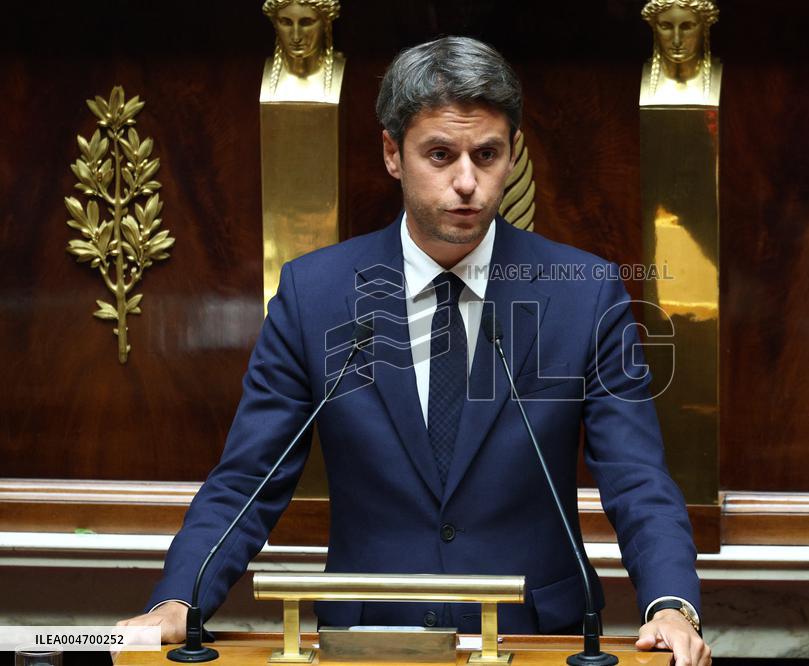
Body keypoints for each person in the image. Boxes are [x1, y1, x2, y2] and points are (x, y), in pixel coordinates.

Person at [119, 36, 711, 665]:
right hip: (367, 639)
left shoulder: (584, 295)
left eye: (487, 155)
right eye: (440, 154)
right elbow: (249, 477)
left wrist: (672, 603)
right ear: (391, 154)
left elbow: (636, 477)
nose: (466, 183)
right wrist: (177, 601)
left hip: (535, 635)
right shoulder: (315, 295)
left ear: (512, 155)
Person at [640, 0, 720, 105]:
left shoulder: (719, 75)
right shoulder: (641, 78)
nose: (677, 41)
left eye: (687, 26)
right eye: (666, 26)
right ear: (654, 27)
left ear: (705, 27)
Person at [261, 0, 344, 100]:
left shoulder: (340, 72)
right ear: (275, 24)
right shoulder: (267, 74)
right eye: (286, 22)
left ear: (326, 23)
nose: (296, 37)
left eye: (306, 23)